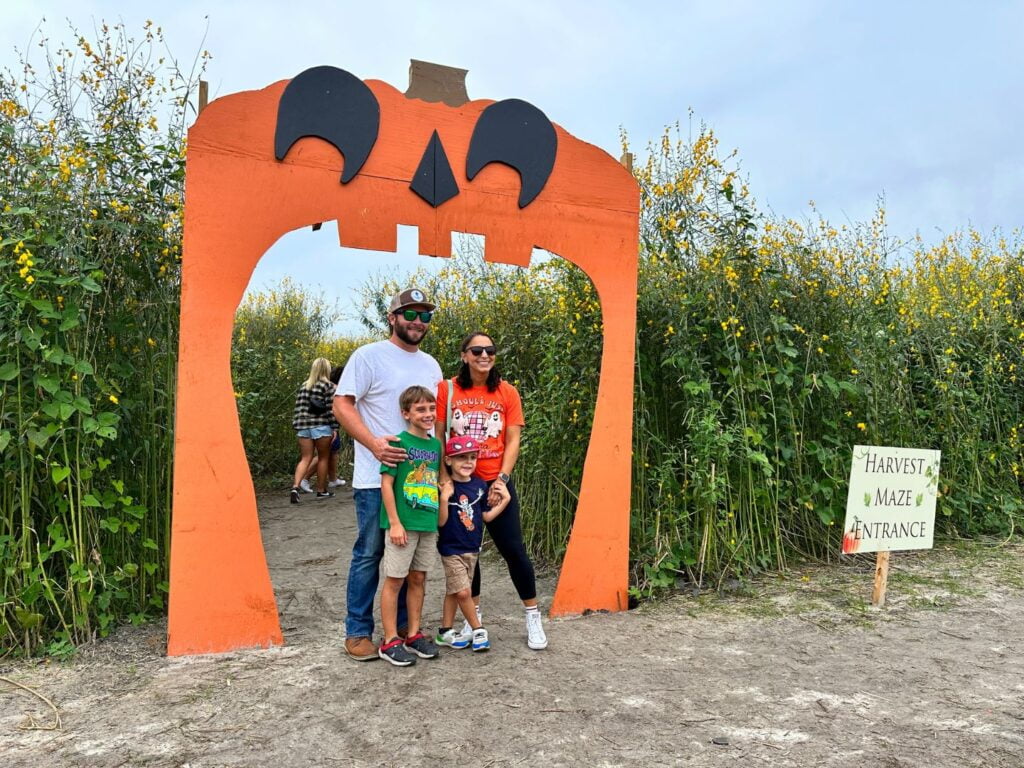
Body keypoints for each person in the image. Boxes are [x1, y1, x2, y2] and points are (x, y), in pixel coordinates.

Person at [334, 288, 443, 662]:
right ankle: (358, 631)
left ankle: (400, 634)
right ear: (392, 317)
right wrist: (373, 444)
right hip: (375, 479)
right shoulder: (368, 357)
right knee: (369, 553)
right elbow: (341, 403)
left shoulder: (431, 366)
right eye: (410, 314)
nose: (417, 321)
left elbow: (433, 422)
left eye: (424, 316)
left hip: (420, 485)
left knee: (410, 560)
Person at [436, 332, 548, 650]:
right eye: (477, 350)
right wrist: (445, 479)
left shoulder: (506, 391)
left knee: (514, 550)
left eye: (490, 350)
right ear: (464, 355)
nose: (484, 355)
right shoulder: (447, 390)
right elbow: (438, 436)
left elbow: (513, 439)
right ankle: (476, 621)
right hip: (460, 485)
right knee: (469, 554)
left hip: (494, 482)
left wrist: (502, 478)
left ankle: (532, 617)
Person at [377, 385, 442, 666]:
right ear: (406, 414)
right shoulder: (397, 443)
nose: (428, 414)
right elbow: (387, 484)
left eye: (431, 408)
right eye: (420, 409)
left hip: (427, 523)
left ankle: (413, 634)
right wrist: (394, 523)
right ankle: (390, 639)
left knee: (419, 578)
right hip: (402, 524)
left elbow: (436, 479)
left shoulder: (435, 445)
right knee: (395, 580)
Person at [435, 435, 510, 653]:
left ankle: (445, 631)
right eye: (461, 458)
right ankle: (478, 629)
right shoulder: (446, 487)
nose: (468, 462)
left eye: (472, 457)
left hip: (472, 550)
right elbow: (440, 522)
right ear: (448, 460)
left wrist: (505, 500)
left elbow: (486, 516)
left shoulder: (478, 485)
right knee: (463, 593)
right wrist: (443, 498)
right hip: (451, 550)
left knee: (454, 590)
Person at [290, 357, 338, 504]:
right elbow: (331, 409)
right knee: (323, 457)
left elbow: (298, 408)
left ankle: (295, 487)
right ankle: (321, 490)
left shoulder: (304, 385)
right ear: (327, 370)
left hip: (303, 427)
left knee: (305, 458)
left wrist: (298, 424)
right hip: (321, 426)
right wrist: (335, 428)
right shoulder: (328, 386)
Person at [301, 365, 347, 493]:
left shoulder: (317, 385)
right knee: (324, 454)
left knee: (333, 452)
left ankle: (333, 479)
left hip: (315, 425)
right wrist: (335, 428)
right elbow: (331, 409)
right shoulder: (332, 388)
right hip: (326, 426)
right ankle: (304, 479)